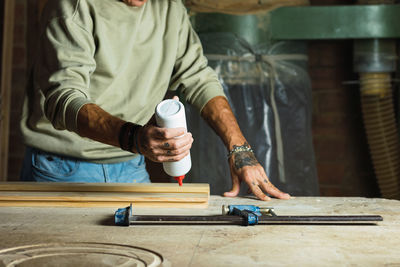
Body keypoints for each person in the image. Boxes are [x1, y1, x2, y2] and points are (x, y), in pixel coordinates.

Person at [20, 0, 290, 201]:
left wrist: (239, 149)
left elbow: (197, 77)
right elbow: (64, 97)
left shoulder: (170, 7)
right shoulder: (73, 5)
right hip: (62, 167)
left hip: (130, 163)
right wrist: (132, 136)